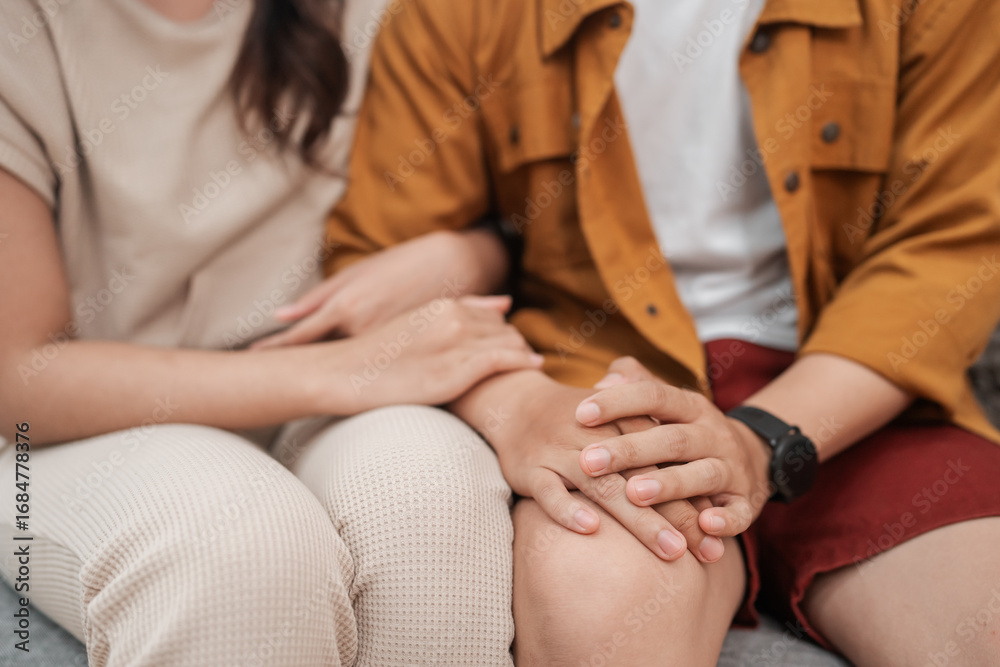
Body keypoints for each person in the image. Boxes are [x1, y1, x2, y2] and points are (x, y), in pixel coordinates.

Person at [301, 0, 1000, 663]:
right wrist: (515, 405)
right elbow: (391, 277)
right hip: (598, 387)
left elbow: (954, 241)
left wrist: (759, 443)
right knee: (592, 608)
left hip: (859, 396)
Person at [0, 0, 541, 664]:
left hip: (335, 405)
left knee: (430, 502)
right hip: (84, 429)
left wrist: (471, 252)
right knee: (234, 546)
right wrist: (349, 369)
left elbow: (515, 211)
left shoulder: (391, 13)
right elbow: (18, 373)